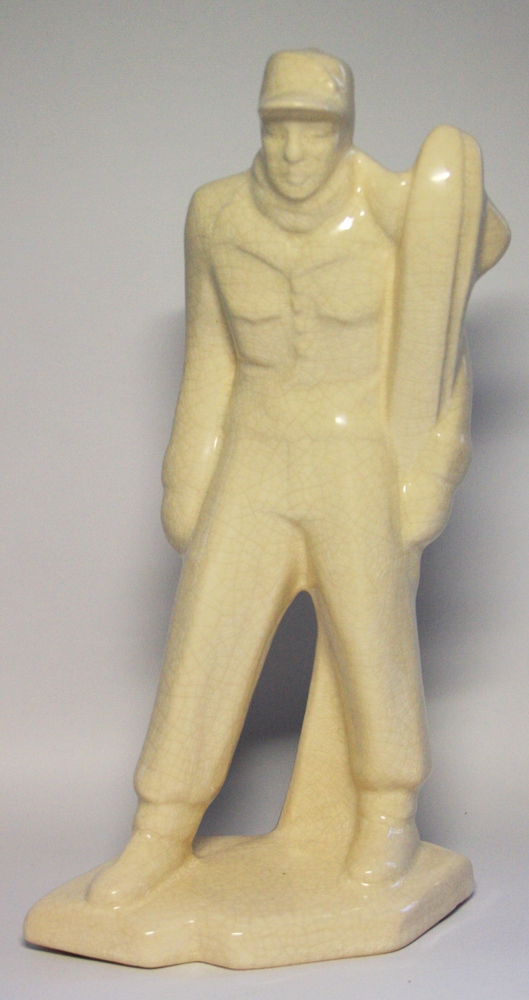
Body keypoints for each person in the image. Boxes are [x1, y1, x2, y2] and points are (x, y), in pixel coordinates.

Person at [88, 49, 510, 906]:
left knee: (373, 638)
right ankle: (160, 827)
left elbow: (448, 321)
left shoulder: (392, 208)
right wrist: (185, 475)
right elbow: (209, 355)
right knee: (205, 634)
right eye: (277, 127)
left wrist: (431, 472)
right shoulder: (214, 214)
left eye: (313, 130)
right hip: (253, 451)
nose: (291, 151)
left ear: (344, 130)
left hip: (356, 458)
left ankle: (387, 812)